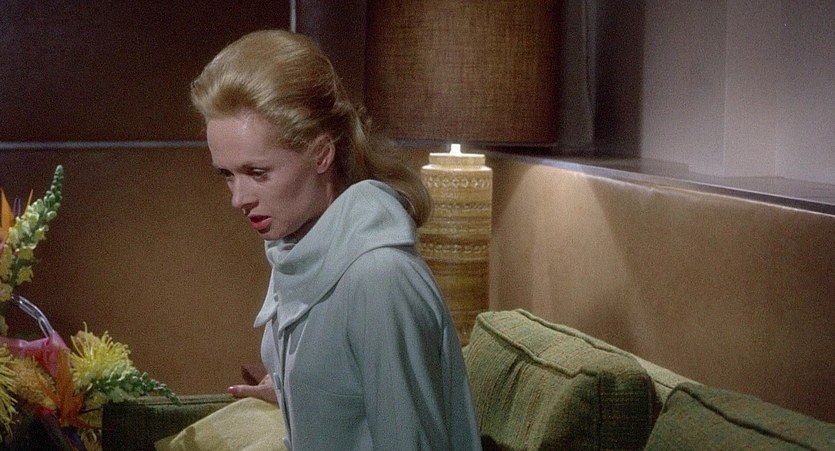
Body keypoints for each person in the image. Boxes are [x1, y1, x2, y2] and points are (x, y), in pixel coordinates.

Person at [190, 30, 482, 450]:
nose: (239, 199)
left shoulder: (379, 279)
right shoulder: (302, 247)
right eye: (227, 175)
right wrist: (294, 389)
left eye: (257, 173)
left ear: (322, 154)